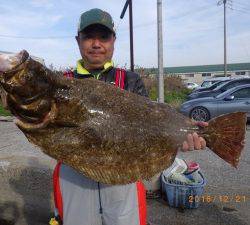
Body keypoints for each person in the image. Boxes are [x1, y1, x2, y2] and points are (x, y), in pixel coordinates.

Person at [50, 8, 207, 225]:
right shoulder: (60, 83)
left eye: (103, 37)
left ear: (113, 40)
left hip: (123, 176)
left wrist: (184, 131)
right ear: (78, 40)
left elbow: (153, 125)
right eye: (89, 37)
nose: (96, 44)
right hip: (73, 175)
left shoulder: (130, 81)